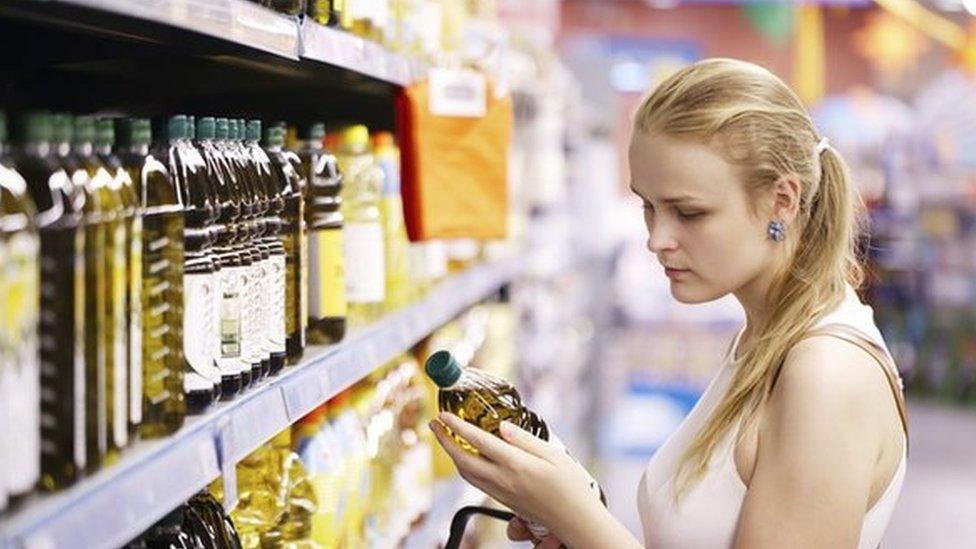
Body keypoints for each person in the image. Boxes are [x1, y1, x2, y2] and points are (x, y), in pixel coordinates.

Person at [428, 58, 908, 549]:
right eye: (648, 206)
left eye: (688, 212)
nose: (657, 239)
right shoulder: (766, 338)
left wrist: (575, 516)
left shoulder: (828, 375)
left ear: (782, 199)